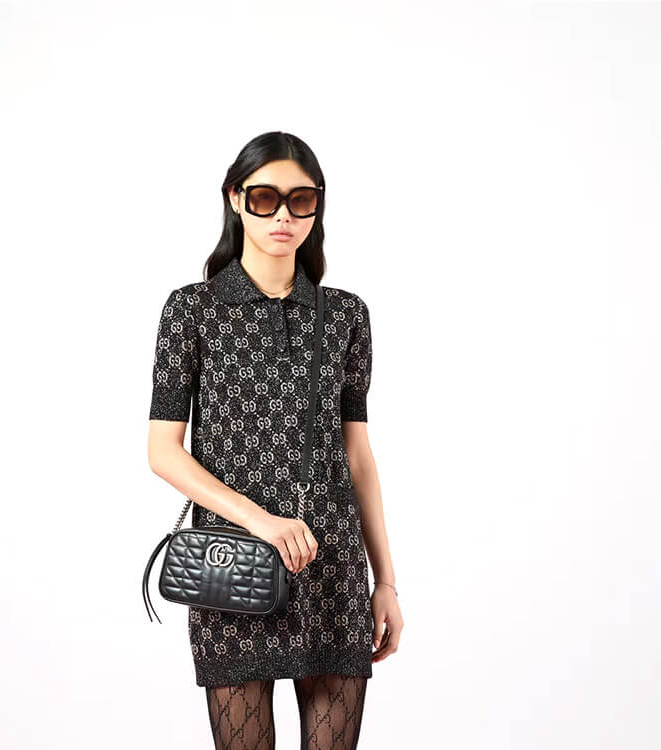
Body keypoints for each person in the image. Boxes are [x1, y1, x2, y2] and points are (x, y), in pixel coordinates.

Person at [147, 131, 403, 749]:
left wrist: (386, 581)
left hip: (332, 568)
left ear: (318, 206)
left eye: (301, 200)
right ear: (236, 198)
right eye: (266, 198)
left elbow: (358, 457)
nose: (284, 215)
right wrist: (261, 521)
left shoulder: (346, 314)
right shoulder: (192, 310)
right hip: (234, 567)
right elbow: (162, 451)